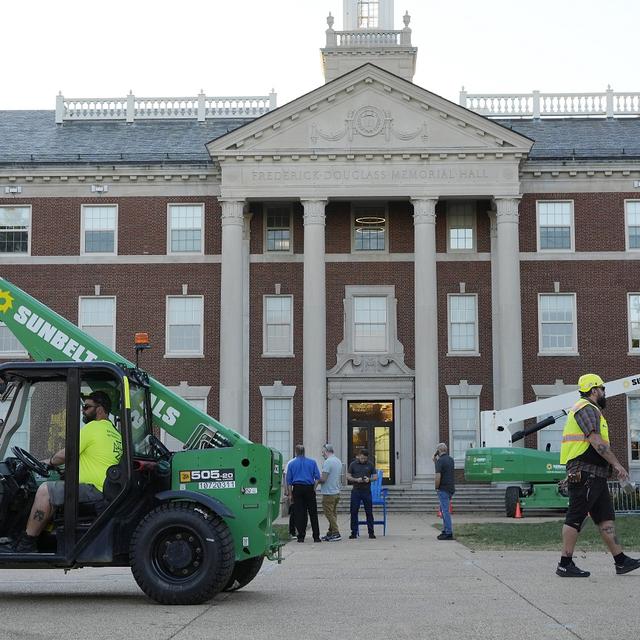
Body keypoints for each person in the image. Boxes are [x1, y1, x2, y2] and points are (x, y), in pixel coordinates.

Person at [1, 391, 122, 554]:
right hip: (104, 490)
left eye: (86, 407)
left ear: (99, 409)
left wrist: (48, 462)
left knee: (44, 491)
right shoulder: (115, 433)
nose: (83, 410)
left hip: (94, 490)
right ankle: (38, 538)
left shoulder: (94, 427)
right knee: (53, 494)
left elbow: (66, 454)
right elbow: (91, 459)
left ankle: (26, 544)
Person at [556, 373, 640, 577]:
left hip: (596, 474)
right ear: (594, 390)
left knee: (605, 518)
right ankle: (564, 564)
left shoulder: (593, 411)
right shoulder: (586, 408)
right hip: (586, 472)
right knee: (575, 516)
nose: (604, 393)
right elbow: (595, 441)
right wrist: (617, 464)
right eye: (603, 389)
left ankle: (621, 561)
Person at [285, 444, 321, 543]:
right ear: (304, 452)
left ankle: (301, 536)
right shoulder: (312, 462)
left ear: (296, 452)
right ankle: (316, 536)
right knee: (313, 513)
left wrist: (290, 494)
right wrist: (313, 488)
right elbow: (317, 477)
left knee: (300, 513)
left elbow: (289, 481)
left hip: (297, 488)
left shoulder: (292, 464)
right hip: (309, 487)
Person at [346, 449, 377, 539]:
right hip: (356, 490)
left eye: (365, 458)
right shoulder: (353, 464)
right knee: (354, 511)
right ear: (359, 456)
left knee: (369, 512)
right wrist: (356, 480)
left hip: (366, 491)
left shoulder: (370, 464)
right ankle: (354, 532)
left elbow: (375, 476)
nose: (363, 460)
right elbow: (348, 476)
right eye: (362, 458)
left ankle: (371, 532)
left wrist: (369, 479)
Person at [318, 443, 342, 541]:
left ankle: (336, 533)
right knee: (333, 513)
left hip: (328, 493)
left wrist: (315, 479)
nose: (322, 454)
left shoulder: (328, 462)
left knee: (329, 514)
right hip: (336, 491)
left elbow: (323, 479)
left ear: (327, 451)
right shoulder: (338, 461)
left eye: (323, 452)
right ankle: (330, 532)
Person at [433, 442, 455, 540]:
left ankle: (448, 532)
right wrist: (435, 462)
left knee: (445, 511)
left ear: (438, 451)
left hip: (443, 488)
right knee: (444, 510)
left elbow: (438, 475)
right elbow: (445, 471)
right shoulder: (451, 460)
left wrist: (436, 487)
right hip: (450, 488)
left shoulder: (440, 461)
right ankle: (445, 530)